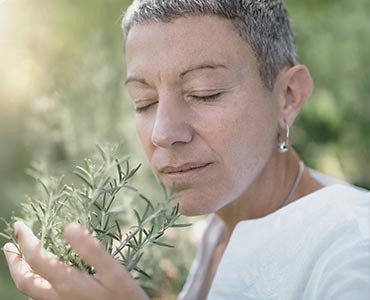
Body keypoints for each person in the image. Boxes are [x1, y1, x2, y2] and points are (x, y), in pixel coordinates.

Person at [3, 1, 370, 299]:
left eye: (203, 92)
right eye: (144, 102)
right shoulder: (210, 232)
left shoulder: (352, 251)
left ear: (288, 96)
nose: (163, 132)